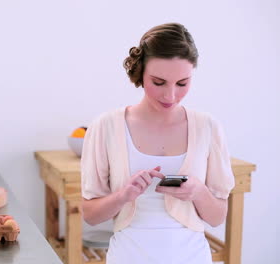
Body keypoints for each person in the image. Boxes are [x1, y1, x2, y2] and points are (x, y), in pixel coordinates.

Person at [81, 23, 235, 264]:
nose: (170, 95)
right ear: (140, 72)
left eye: (182, 83)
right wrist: (124, 195)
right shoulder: (107, 126)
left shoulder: (208, 127)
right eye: (159, 82)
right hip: (128, 255)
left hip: (191, 256)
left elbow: (217, 218)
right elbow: (90, 215)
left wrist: (198, 192)